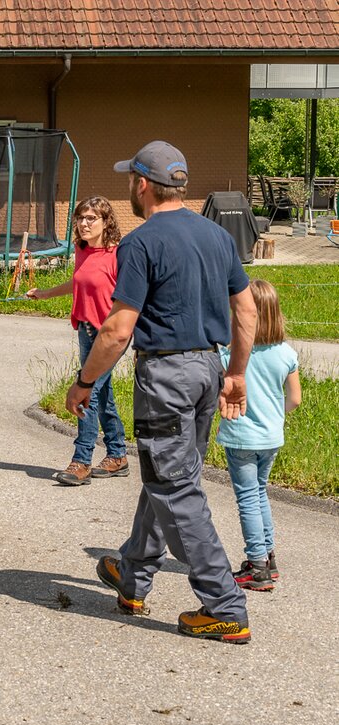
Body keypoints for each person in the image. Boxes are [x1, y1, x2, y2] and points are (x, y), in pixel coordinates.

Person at [64, 140, 258, 644]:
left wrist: (85, 383)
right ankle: (133, 577)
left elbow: (116, 330)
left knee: (175, 488)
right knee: (167, 473)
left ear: (143, 185)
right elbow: (248, 311)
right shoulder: (217, 236)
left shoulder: (141, 242)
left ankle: (224, 605)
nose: (130, 186)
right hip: (207, 369)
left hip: (166, 377)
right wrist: (235, 372)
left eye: (131, 179)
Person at [28, 197, 127, 486]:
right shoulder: (81, 250)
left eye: (91, 218)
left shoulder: (118, 254)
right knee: (102, 392)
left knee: (88, 392)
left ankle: (81, 461)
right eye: (80, 217)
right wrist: (45, 293)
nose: (83, 223)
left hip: (108, 335)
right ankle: (118, 455)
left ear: (106, 222)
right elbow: (79, 281)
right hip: (85, 330)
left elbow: (132, 297)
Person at [216, 279, 301, 592]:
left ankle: (257, 565)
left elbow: (219, 398)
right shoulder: (286, 354)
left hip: (241, 436)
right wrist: (272, 414)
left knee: (248, 499)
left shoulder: (230, 356)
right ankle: (268, 556)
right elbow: (294, 400)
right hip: (271, 436)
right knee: (260, 493)